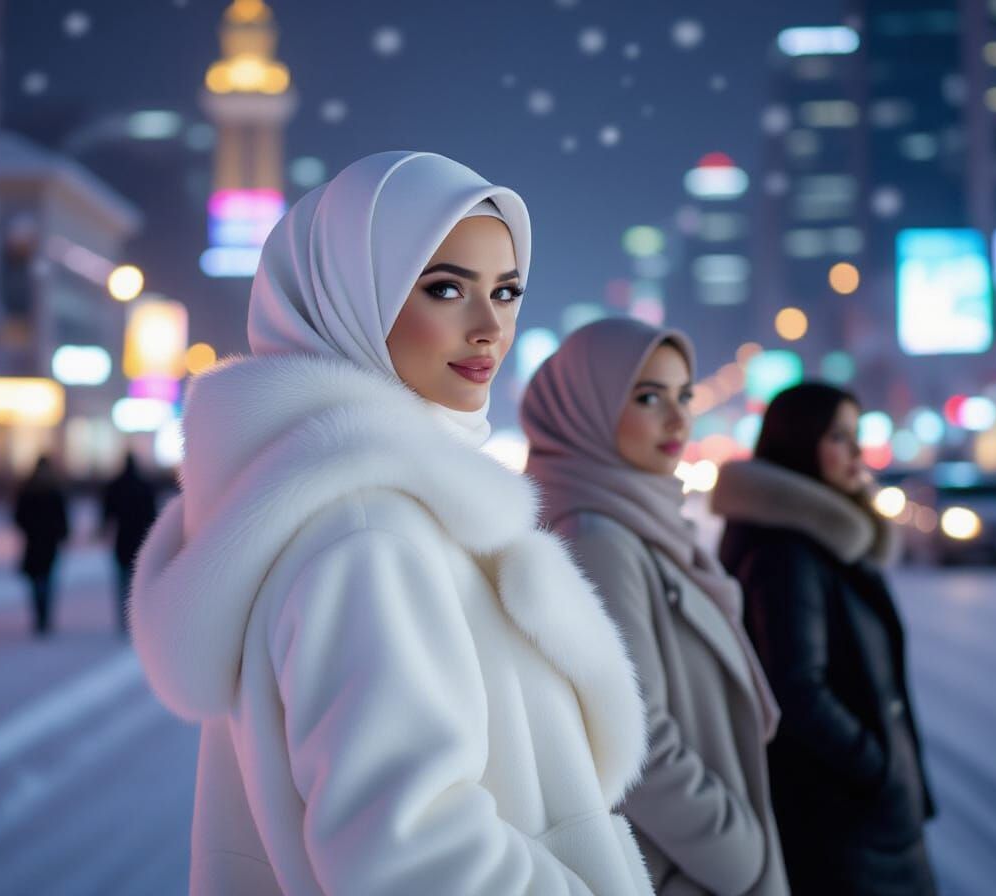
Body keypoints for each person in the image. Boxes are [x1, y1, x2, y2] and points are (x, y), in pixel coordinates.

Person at [130, 152, 653, 895]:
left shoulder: (352, 514)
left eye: (506, 292)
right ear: (351, 298)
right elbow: (410, 857)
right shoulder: (369, 537)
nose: (490, 329)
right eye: (446, 289)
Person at [521, 317, 789, 896]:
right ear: (585, 408)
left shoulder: (644, 523)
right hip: (683, 869)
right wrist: (738, 851)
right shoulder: (597, 536)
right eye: (647, 397)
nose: (678, 419)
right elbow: (630, 730)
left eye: (683, 396)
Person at [712, 382, 936, 896]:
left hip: (864, 815)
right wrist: (876, 768)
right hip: (840, 821)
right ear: (797, 443)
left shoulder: (829, 538)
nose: (858, 451)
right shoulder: (789, 551)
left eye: (857, 434)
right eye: (839, 436)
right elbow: (795, 689)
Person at [13, 455, 70, 637]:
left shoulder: (28, 489)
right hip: (49, 543)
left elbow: (18, 518)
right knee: (47, 579)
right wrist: (61, 534)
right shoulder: (54, 490)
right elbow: (62, 518)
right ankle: (44, 616)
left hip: (34, 543)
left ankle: (40, 616)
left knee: (36, 580)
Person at [101, 453, 157, 633]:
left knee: (122, 581)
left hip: (122, 540)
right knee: (139, 581)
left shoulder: (115, 486)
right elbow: (152, 516)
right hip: (141, 540)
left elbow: (107, 514)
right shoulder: (145, 486)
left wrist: (103, 530)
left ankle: (124, 618)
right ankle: (137, 617)